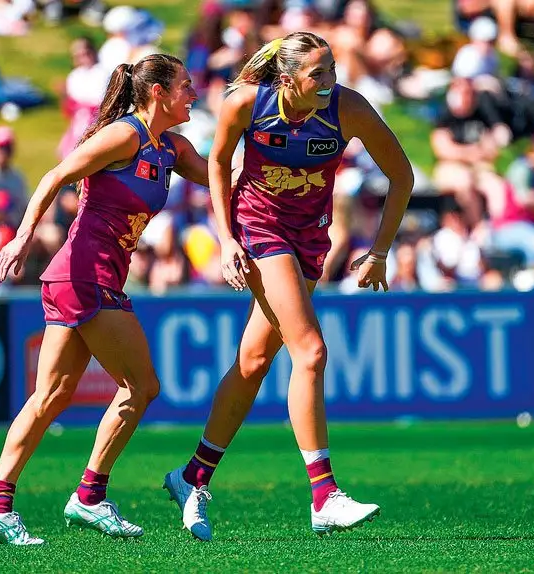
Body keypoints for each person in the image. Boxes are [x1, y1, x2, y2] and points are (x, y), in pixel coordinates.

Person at [162, 32, 414, 540]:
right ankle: (324, 495)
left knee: (254, 361)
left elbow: (401, 174)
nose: (329, 82)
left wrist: (380, 251)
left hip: (309, 239)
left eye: (332, 70)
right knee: (311, 351)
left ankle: (192, 477)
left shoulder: (348, 108)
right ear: (287, 79)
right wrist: (226, 237)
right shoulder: (246, 104)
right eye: (317, 74)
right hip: (260, 231)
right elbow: (216, 163)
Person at [0, 53, 208, 545]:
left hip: (82, 279)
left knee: (49, 397)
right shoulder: (124, 135)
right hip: (84, 277)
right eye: (185, 85)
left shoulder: (173, 149)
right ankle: (90, 496)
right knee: (141, 387)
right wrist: (21, 238)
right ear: (158, 92)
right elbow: (52, 177)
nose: (194, 92)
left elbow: (224, 177)